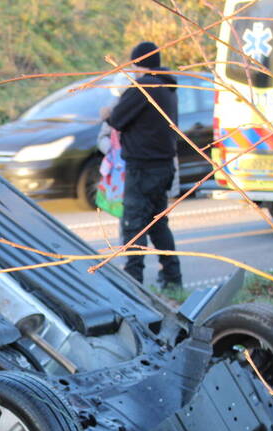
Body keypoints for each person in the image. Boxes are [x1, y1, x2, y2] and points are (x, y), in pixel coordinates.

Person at [107, 41, 181, 289]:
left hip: (142, 168)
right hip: (163, 167)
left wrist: (106, 113)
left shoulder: (143, 88)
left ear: (138, 63)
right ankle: (172, 279)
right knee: (158, 224)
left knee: (134, 226)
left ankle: (133, 284)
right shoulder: (167, 86)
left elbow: (116, 119)